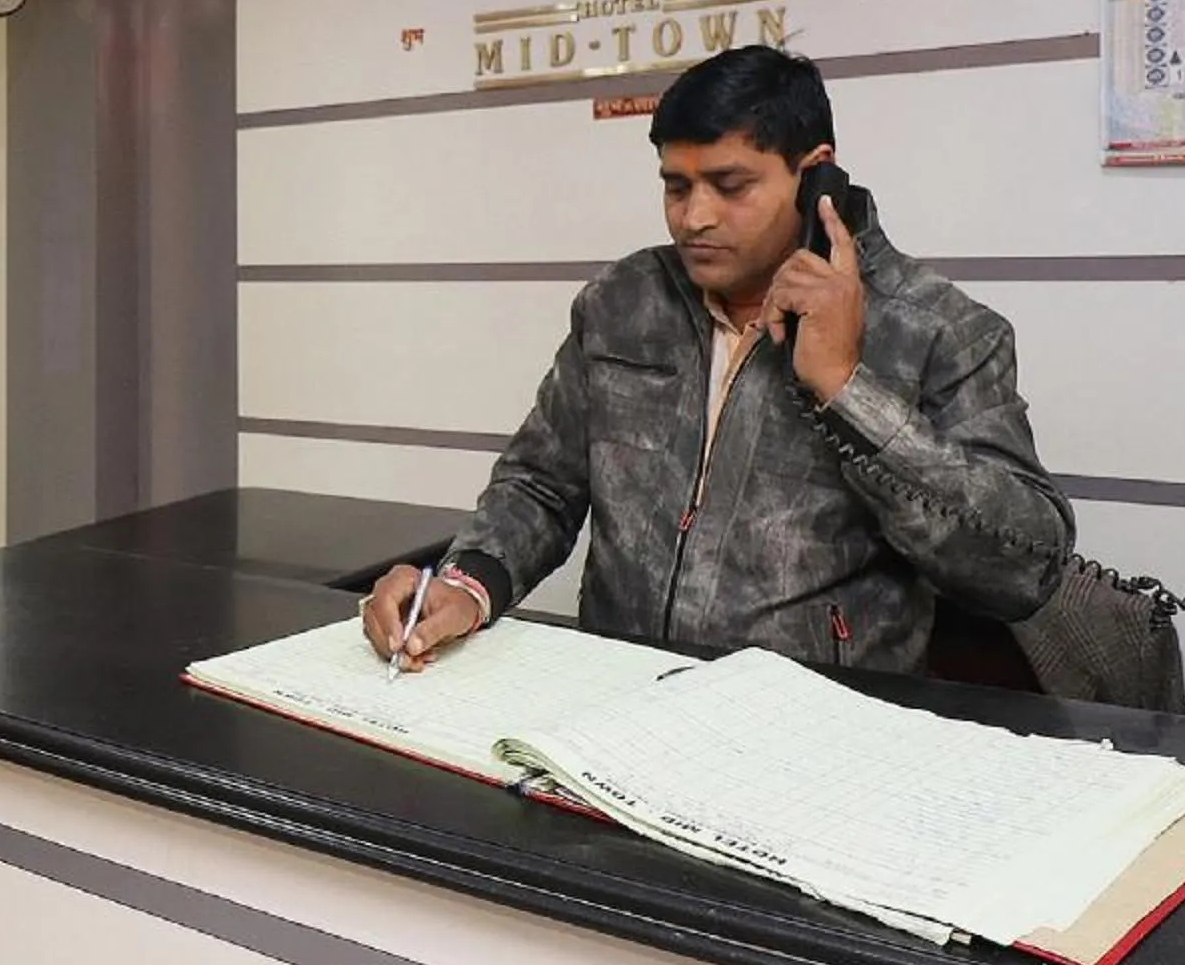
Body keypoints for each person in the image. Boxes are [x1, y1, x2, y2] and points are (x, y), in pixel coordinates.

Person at [362, 46, 1076, 678]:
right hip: (614, 704)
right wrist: (467, 584)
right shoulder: (623, 302)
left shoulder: (937, 329)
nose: (694, 217)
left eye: (731, 187)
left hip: (818, 730)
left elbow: (1023, 568)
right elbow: (541, 485)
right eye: (676, 186)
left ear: (815, 176)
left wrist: (846, 387)